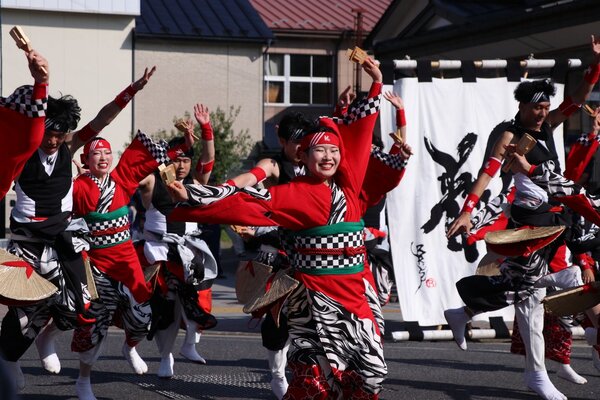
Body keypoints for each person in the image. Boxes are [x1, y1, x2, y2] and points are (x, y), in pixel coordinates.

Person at [167, 58, 412, 398]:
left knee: (371, 374)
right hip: (314, 292)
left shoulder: (349, 185)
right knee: (312, 377)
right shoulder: (292, 189)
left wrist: (375, 86)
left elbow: (360, 137)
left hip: (356, 289)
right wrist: (195, 195)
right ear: (301, 154)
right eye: (319, 151)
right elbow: (247, 199)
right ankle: (278, 375)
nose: (328, 156)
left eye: (332, 150)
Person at [445, 36, 600, 400]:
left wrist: (595, 67)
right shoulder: (509, 135)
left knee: (568, 279)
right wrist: (467, 211)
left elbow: (575, 100)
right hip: (526, 227)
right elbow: (487, 172)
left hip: (556, 224)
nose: (544, 112)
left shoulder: (545, 127)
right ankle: (536, 373)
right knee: (530, 299)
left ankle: (464, 312)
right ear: (522, 107)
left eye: (547, 106)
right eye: (538, 107)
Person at [0, 64, 155, 391]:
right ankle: (9, 358)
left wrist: (132, 91)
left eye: (60, 134)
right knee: (28, 309)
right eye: (49, 133)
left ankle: (46, 339)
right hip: (27, 244)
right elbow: (27, 137)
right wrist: (40, 83)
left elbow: (101, 120)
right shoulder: (23, 152)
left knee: (81, 304)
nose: (54, 140)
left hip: (63, 239)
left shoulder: (68, 147)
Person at [71, 125, 193, 400]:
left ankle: (130, 346)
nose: (103, 157)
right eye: (96, 154)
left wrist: (181, 147)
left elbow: (149, 160)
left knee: (143, 317)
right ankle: (83, 380)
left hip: (126, 259)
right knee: (95, 322)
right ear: (86, 160)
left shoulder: (122, 179)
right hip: (97, 263)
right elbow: (59, 205)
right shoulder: (78, 186)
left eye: (107, 152)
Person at [225, 110, 312, 399]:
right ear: (282, 139)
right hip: (277, 252)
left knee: (315, 320)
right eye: (295, 142)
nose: (301, 148)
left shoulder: (317, 163)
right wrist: (224, 189)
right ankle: (277, 374)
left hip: (311, 254)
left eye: (306, 142)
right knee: (278, 320)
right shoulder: (274, 165)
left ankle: (311, 376)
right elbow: (253, 176)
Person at [137, 103, 217, 378]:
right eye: (177, 159)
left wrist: (206, 128)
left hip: (189, 250)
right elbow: (137, 175)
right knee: (166, 307)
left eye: (186, 160)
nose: (182, 165)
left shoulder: (195, 182)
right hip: (158, 250)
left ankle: (190, 344)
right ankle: (165, 357)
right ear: (167, 160)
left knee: (200, 297)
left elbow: (208, 159)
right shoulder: (152, 181)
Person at [0, 49, 48, 200]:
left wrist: (42, 82)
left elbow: (36, 118)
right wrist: (42, 82)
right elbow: (36, 117)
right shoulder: (25, 143)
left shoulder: (24, 142)